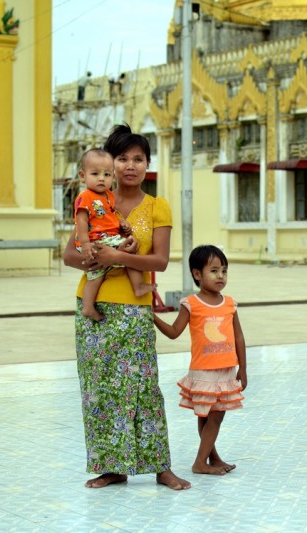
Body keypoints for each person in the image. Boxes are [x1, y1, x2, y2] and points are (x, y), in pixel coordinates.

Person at [64, 124, 190, 490]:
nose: (129, 166)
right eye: (122, 158)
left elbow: (162, 261)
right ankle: (111, 466)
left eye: (138, 159)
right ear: (107, 163)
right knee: (98, 390)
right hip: (94, 309)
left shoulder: (156, 206)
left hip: (134, 311)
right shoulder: (92, 199)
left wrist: (117, 255)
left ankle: (161, 467)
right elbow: (69, 253)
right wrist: (95, 257)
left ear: (148, 164)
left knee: (143, 387)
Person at [153, 245, 247, 476]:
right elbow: (175, 331)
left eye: (224, 271)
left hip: (226, 371)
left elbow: (238, 336)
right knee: (209, 418)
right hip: (204, 371)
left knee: (211, 419)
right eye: (214, 271)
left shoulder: (229, 303)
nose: (221, 276)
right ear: (197, 274)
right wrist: (152, 315)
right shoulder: (191, 303)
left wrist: (243, 368)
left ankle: (211, 458)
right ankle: (200, 463)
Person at [73, 148, 155, 321]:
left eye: (107, 174)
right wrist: (86, 244)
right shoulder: (85, 196)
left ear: (113, 176)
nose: (101, 178)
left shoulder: (108, 196)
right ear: (82, 175)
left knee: (130, 252)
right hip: (96, 241)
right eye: (95, 174)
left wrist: (122, 223)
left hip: (109, 237)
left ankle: (138, 286)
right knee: (97, 273)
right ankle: (88, 307)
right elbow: (80, 221)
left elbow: (110, 216)